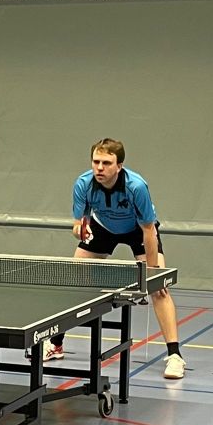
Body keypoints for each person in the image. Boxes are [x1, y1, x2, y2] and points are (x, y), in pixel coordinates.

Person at [43, 138, 186, 380]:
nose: (99, 167)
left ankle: (175, 356)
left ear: (119, 166)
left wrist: (153, 271)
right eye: (96, 162)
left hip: (138, 230)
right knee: (71, 281)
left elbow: (149, 230)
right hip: (102, 228)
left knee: (160, 289)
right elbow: (79, 223)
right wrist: (80, 230)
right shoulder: (83, 183)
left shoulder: (136, 186)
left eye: (106, 163)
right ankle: (56, 344)